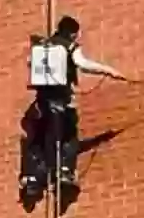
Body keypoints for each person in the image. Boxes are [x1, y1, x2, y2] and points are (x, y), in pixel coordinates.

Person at [22, 15, 126, 195]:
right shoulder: (69, 46)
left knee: (39, 137)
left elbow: (31, 64)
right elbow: (83, 64)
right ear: (72, 33)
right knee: (69, 136)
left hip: (43, 102)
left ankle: (33, 178)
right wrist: (108, 71)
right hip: (62, 102)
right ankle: (65, 172)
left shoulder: (44, 45)